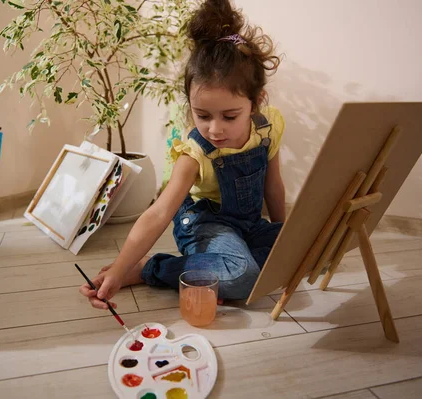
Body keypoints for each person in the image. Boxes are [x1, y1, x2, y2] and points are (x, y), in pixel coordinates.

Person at [80, 0, 285, 310]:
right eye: (202, 115)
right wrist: (120, 271)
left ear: (256, 101)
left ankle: (221, 264)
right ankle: (152, 268)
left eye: (229, 116)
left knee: (306, 249)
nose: (214, 129)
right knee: (242, 275)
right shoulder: (194, 153)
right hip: (204, 224)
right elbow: (158, 213)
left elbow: (274, 186)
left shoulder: (269, 128)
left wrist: (284, 237)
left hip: (249, 225)